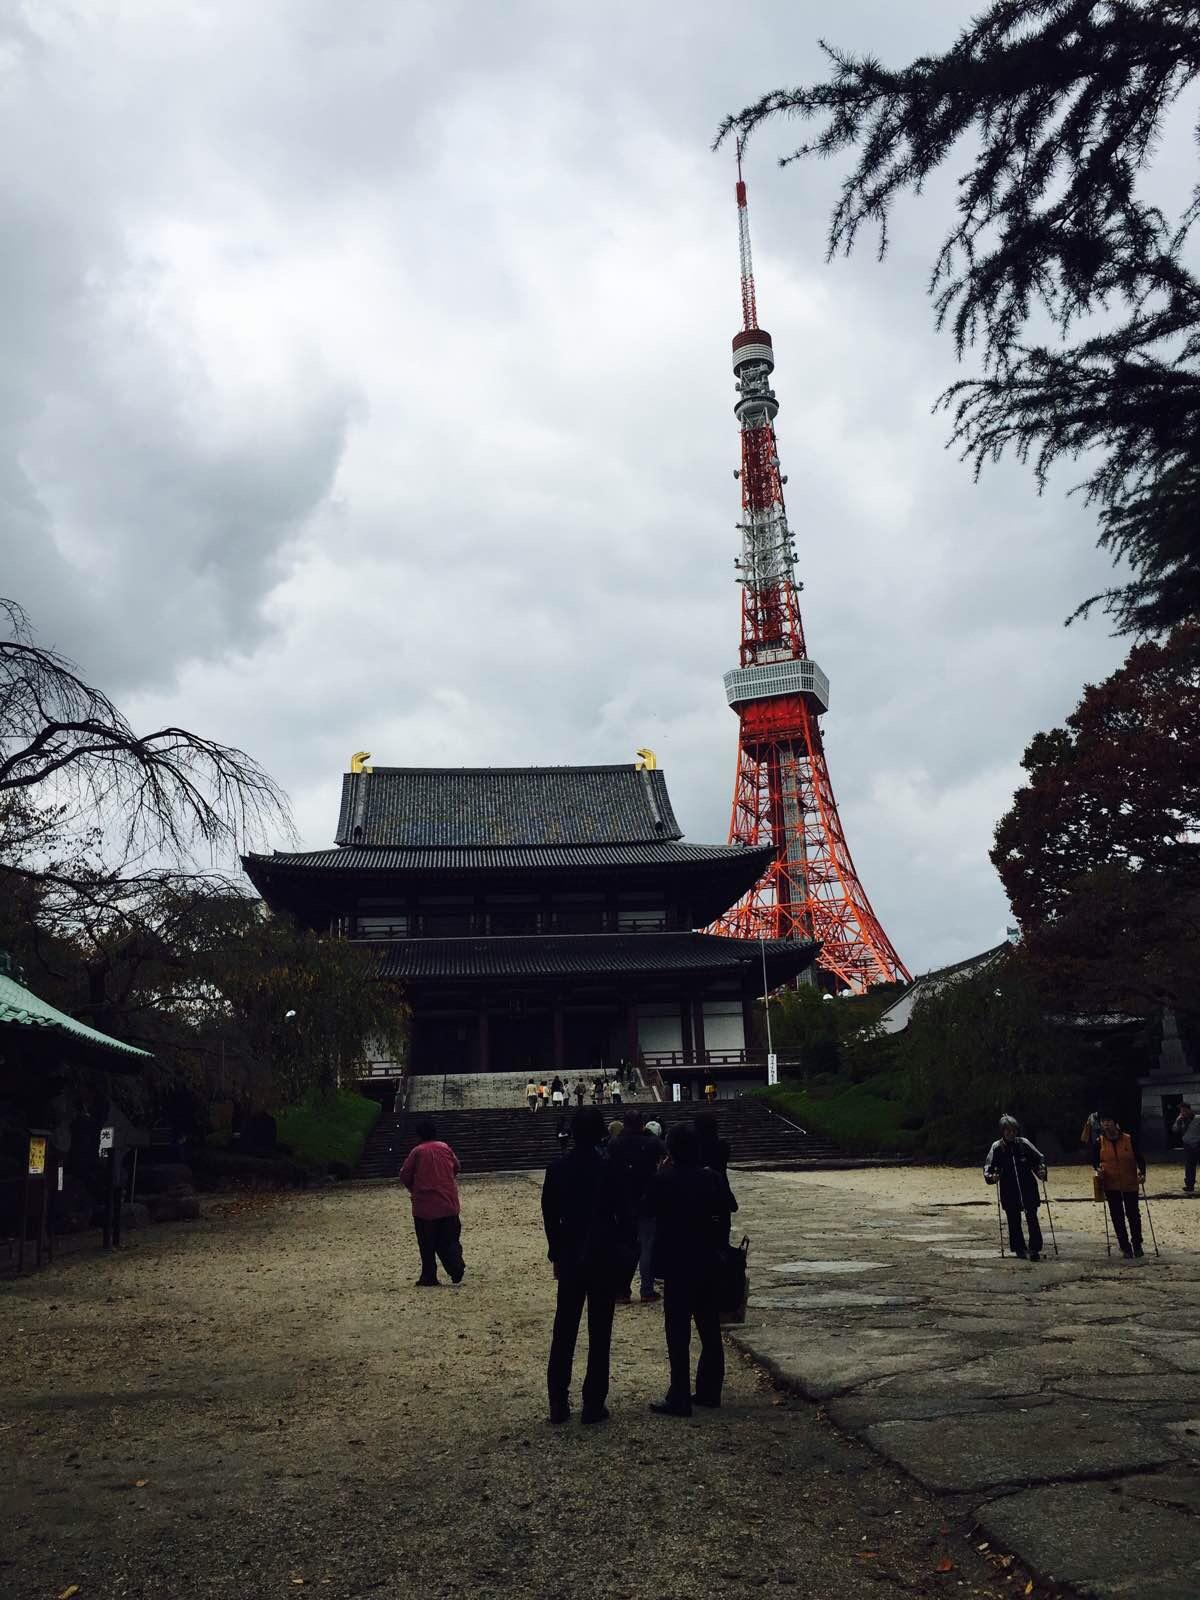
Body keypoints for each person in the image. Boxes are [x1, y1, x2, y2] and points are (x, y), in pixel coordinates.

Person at [541, 1106, 635, 1426]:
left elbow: (549, 1217)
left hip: (569, 1254)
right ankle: (594, 1402)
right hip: (603, 1254)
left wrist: (555, 1252)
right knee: (600, 1330)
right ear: (599, 1134)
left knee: (564, 1328)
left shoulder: (556, 1168)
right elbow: (624, 1215)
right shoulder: (612, 1168)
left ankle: (557, 1399)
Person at [648, 1123, 727, 1417]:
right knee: (710, 1328)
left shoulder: (664, 1179)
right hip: (706, 1260)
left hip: (676, 1263)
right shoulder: (712, 1178)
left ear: (670, 1149)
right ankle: (710, 1390)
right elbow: (728, 1207)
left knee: (678, 1332)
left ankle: (679, 1394)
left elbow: (646, 1209)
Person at [608, 1110, 667, 1304]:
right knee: (647, 1246)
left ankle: (622, 1290)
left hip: (622, 1201)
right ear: (642, 1124)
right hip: (647, 1199)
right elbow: (664, 1148)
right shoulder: (650, 1142)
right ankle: (646, 1289)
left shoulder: (615, 1143)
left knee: (624, 1246)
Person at [398, 1119, 465, 1287]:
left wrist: (414, 1188)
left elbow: (405, 1174)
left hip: (425, 1206)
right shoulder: (444, 1147)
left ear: (419, 1135)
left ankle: (429, 1274)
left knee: (427, 1243)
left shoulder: (417, 1152)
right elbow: (456, 1166)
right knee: (450, 1239)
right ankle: (455, 1263)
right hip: (448, 1202)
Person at [983, 1114, 1047, 1262]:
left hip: (1028, 1187)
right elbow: (988, 1167)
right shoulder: (997, 1147)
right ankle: (1019, 1248)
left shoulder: (1024, 1144)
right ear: (1002, 1132)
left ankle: (1035, 1248)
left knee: (1032, 1218)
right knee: (1013, 1219)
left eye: (1013, 1131)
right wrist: (992, 1177)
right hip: (1009, 1189)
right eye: (1008, 1131)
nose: (1011, 1134)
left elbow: (1039, 1159)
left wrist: (1041, 1171)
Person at [1093, 1115, 1147, 1258]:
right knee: (1117, 1216)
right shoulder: (1099, 1142)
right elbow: (1094, 1160)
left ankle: (1137, 1244)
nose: (1106, 1125)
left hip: (1129, 1181)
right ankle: (1124, 1246)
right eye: (1104, 1122)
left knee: (1133, 1215)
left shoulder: (1129, 1139)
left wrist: (1142, 1172)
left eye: (1109, 1121)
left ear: (1116, 1124)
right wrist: (1097, 1169)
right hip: (1110, 1184)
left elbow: (1140, 1158)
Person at [694, 1112, 737, 1245]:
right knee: (722, 1239)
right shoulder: (722, 1146)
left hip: (699, 1195)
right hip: (721, 1193)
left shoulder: (694, 1148)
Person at [1171, 1102, 1200, 1193]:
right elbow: (1174, 1130)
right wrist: (1178, 1121)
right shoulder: (1181, 1120)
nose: (1183, 1112)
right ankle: (1189, 1185)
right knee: (1189, 1166)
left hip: (1198, 1144)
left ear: (1189, 1109)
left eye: (1184, 1110)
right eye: (1181, 1110)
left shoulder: (1198, 1118)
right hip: (1187, 1145)